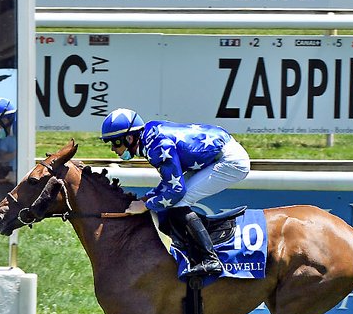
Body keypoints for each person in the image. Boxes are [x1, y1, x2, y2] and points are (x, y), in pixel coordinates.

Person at [100, 108, 250, 279]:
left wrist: (146, 204)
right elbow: (169, 182)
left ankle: (210, 259)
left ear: (129, 138)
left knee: (177, 202)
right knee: (169, 201)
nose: (113, 148)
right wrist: (150, 196)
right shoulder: (149, 138)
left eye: (116, 142)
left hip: (230, 161)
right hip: (215, 154)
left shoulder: (155, 146)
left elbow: (176, 191)